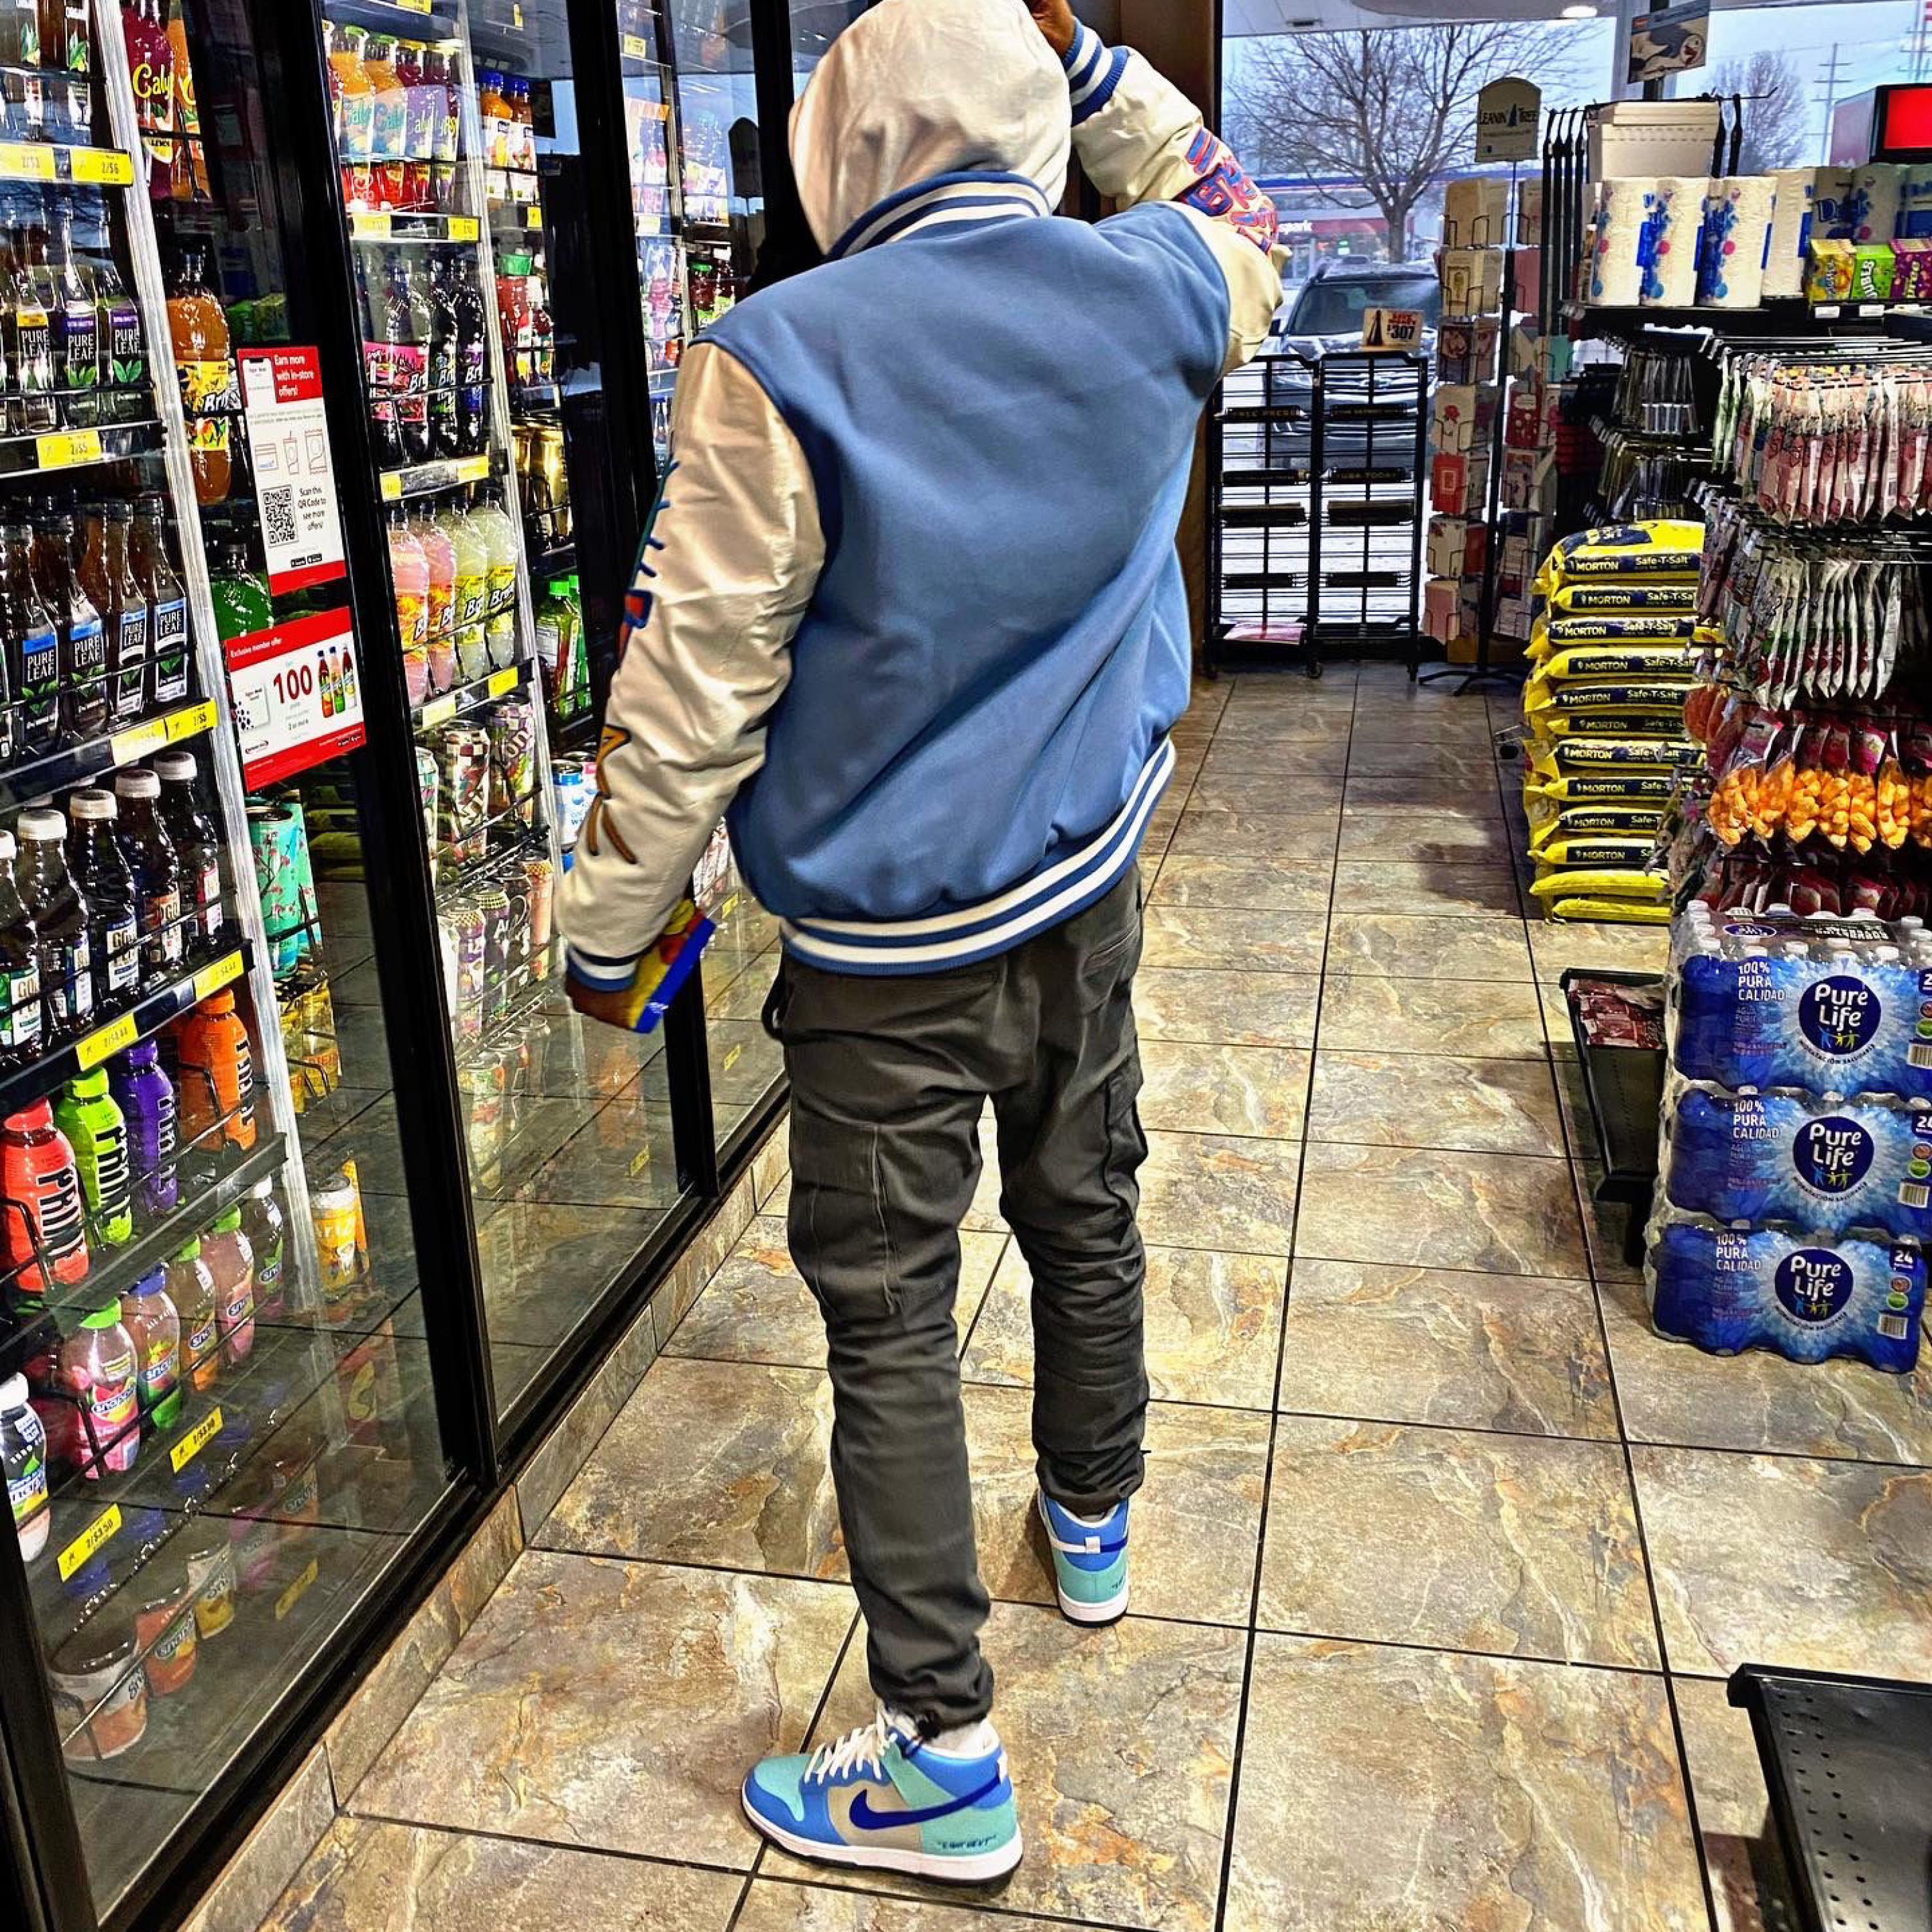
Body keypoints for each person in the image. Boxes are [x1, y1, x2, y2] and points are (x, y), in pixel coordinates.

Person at [557, 0, 1282, 1885]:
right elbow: (1242, 211)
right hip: (1087, 882)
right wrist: (1097, 70)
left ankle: (945, 1755)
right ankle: (1094, 1522)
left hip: (884, 954)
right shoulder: (1155, 287)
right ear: (1030, 113)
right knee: (1086, 1197)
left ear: (837, 145)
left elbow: (692, 691)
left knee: (887, 1310)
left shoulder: (777, 359)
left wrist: (611, 932)